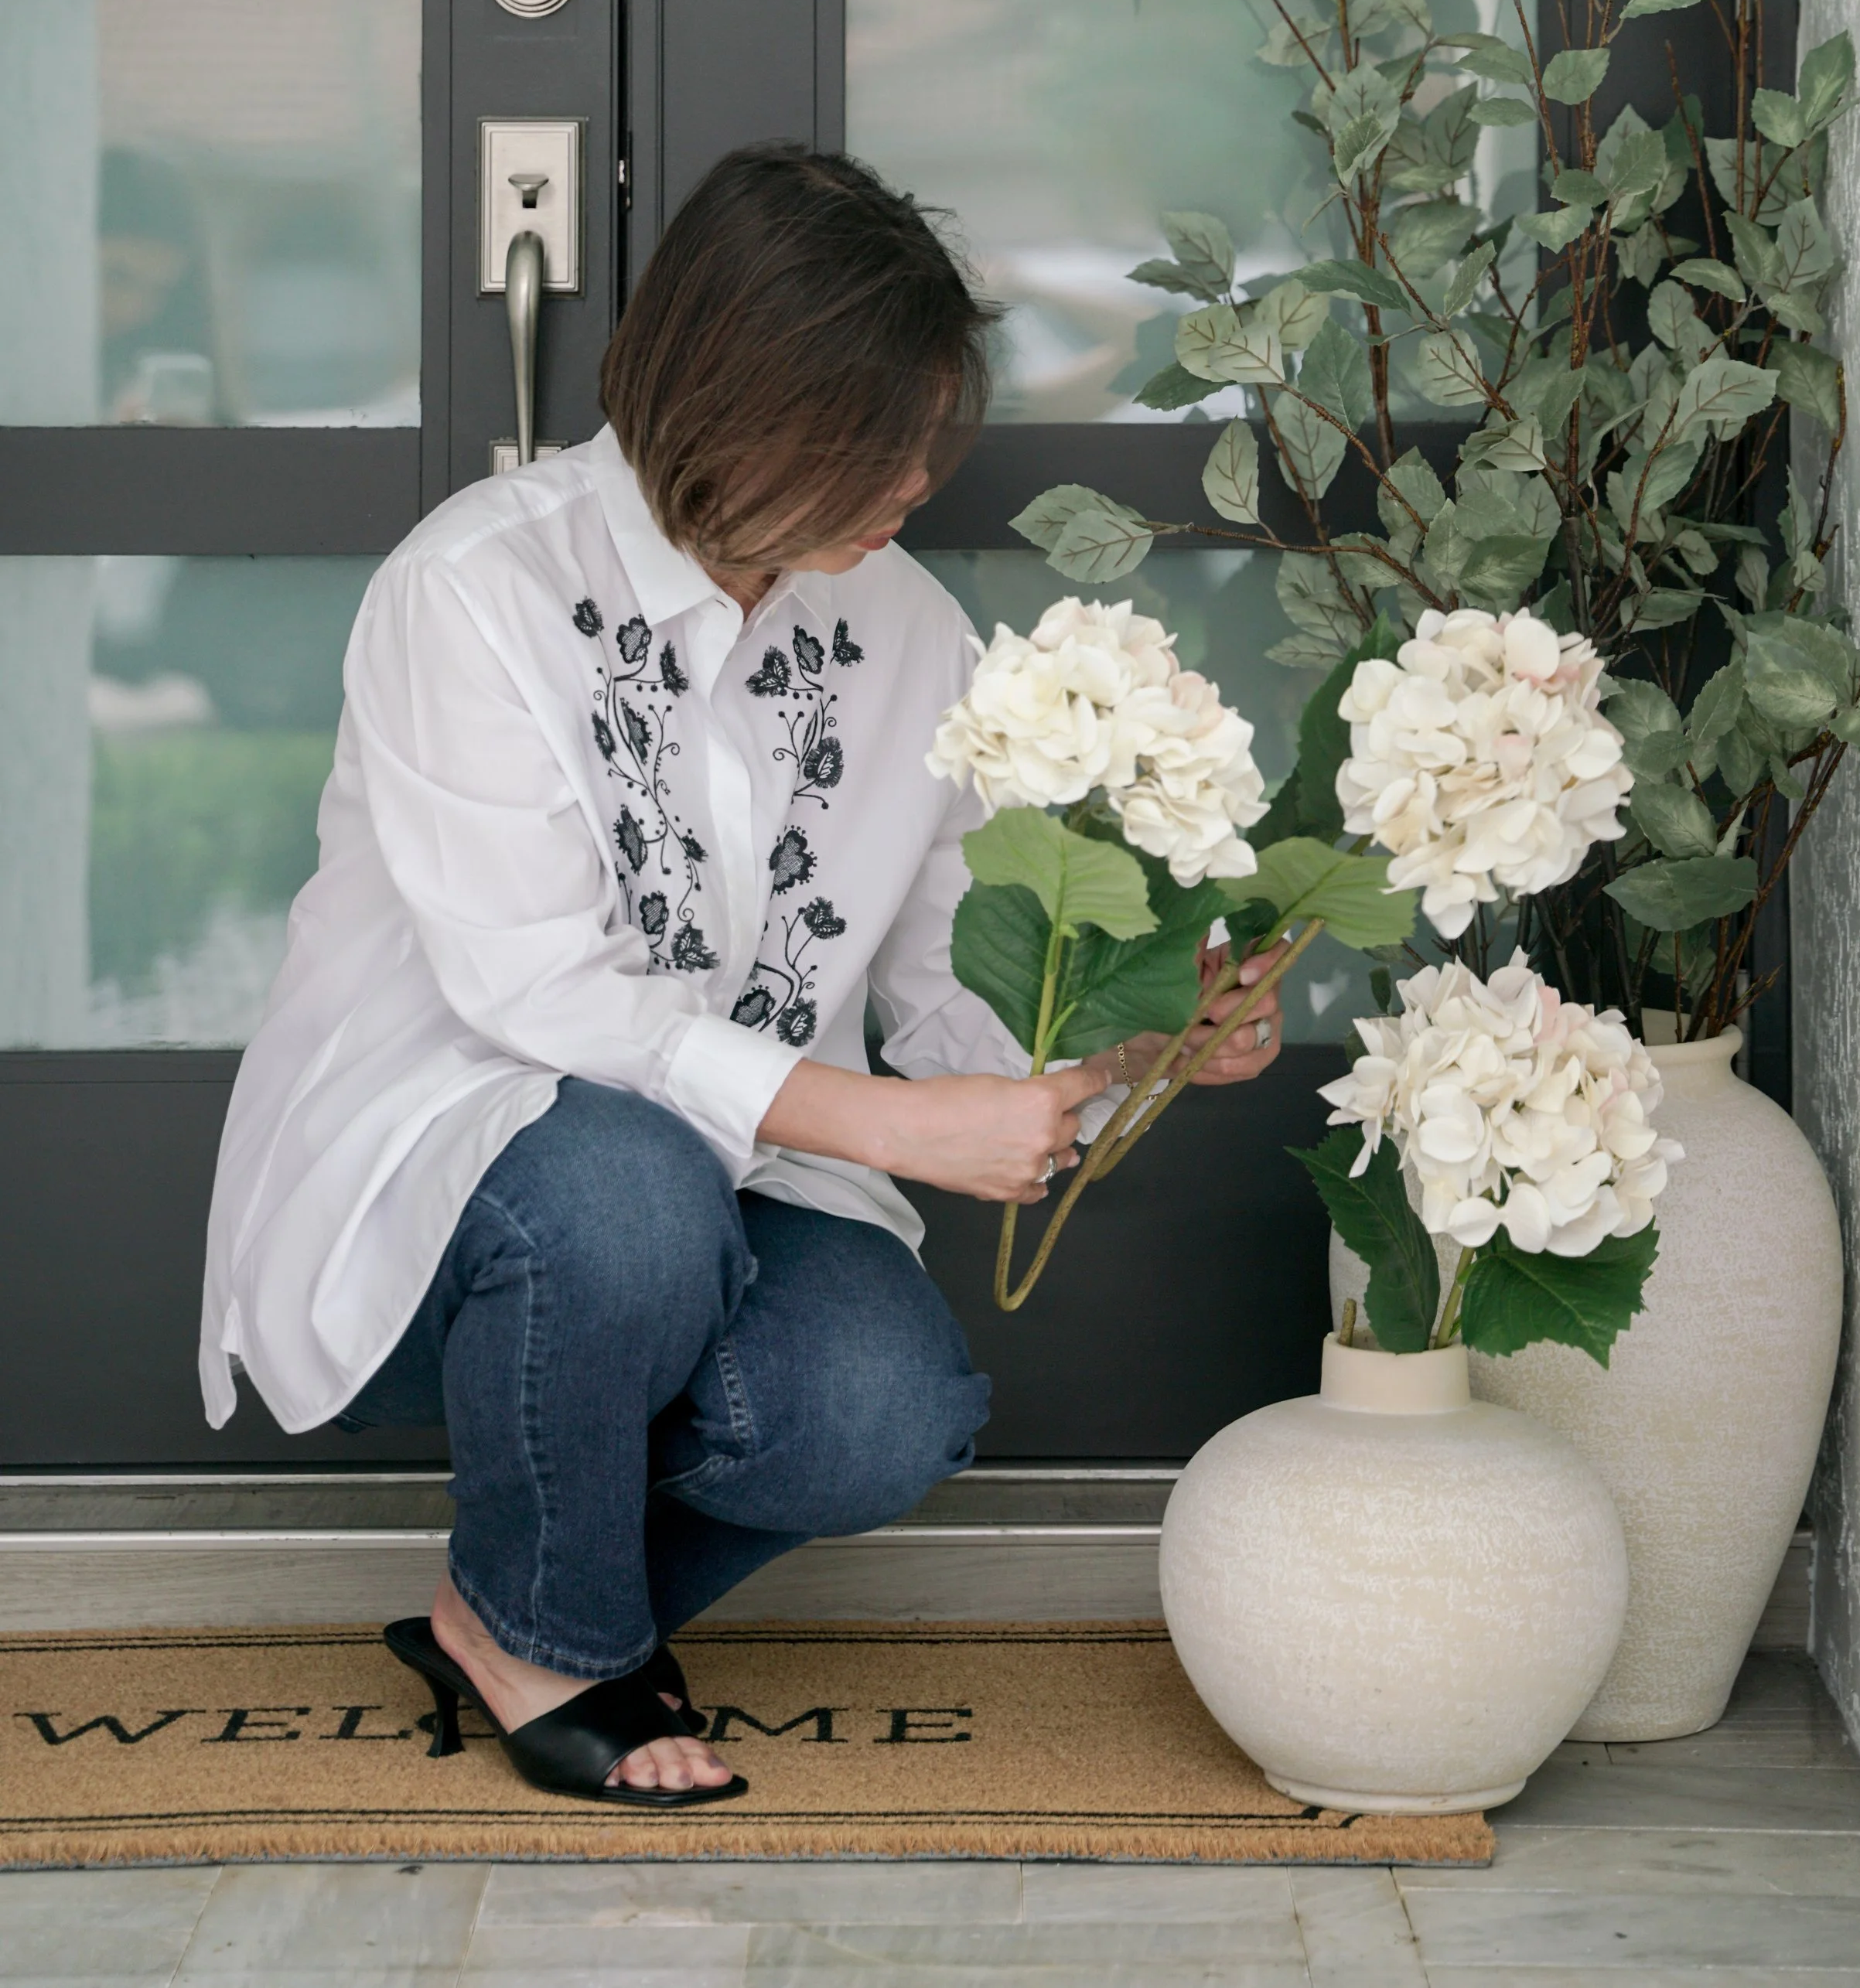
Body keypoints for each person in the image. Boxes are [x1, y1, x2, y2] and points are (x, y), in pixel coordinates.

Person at [199, 145, 1284, 1809]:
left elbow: (936, 978)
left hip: (743, 1169)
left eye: (925, 435)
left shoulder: (907, 631)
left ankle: (501, 1604)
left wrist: (1133, 1039)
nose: (915, 478)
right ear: (725, 405)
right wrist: (894, 1130)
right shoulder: (475, 588)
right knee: (623, 1194)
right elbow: (539, 997)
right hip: (468, 1180)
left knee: (879, 1411)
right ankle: (558, 1639)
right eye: (871, 444)